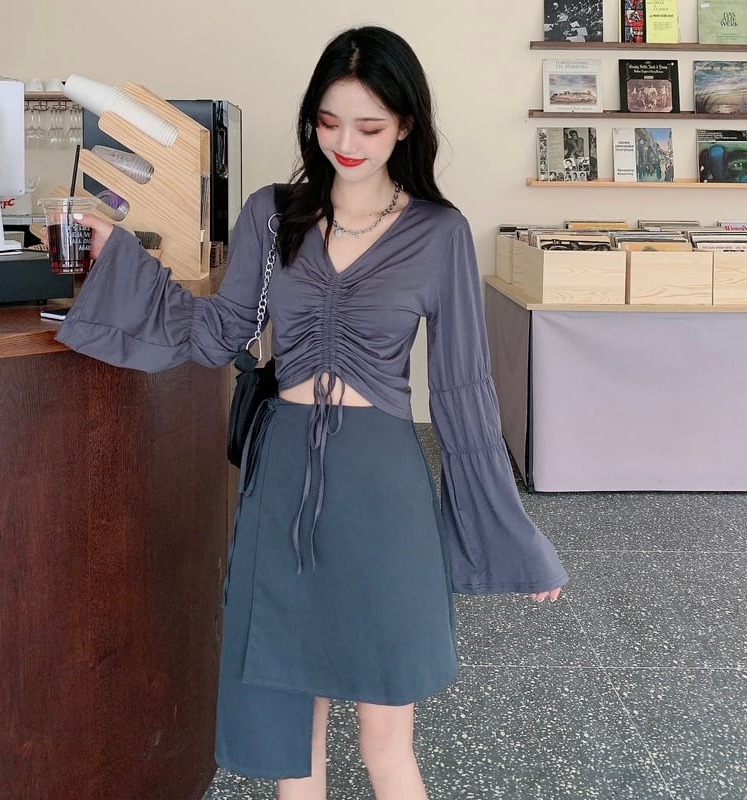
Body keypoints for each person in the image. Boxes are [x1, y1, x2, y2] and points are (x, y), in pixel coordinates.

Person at [55, 26, 567, 800]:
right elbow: (216, 333)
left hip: (384, 492)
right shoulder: (273, 215)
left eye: (369, 126)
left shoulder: (440, 233)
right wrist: (119, 252)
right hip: (285, 478)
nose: (346, 143)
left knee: (386, 742)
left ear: (406, 126)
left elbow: (464, 394)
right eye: (329, 122)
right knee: (291, 734)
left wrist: (514, 538)